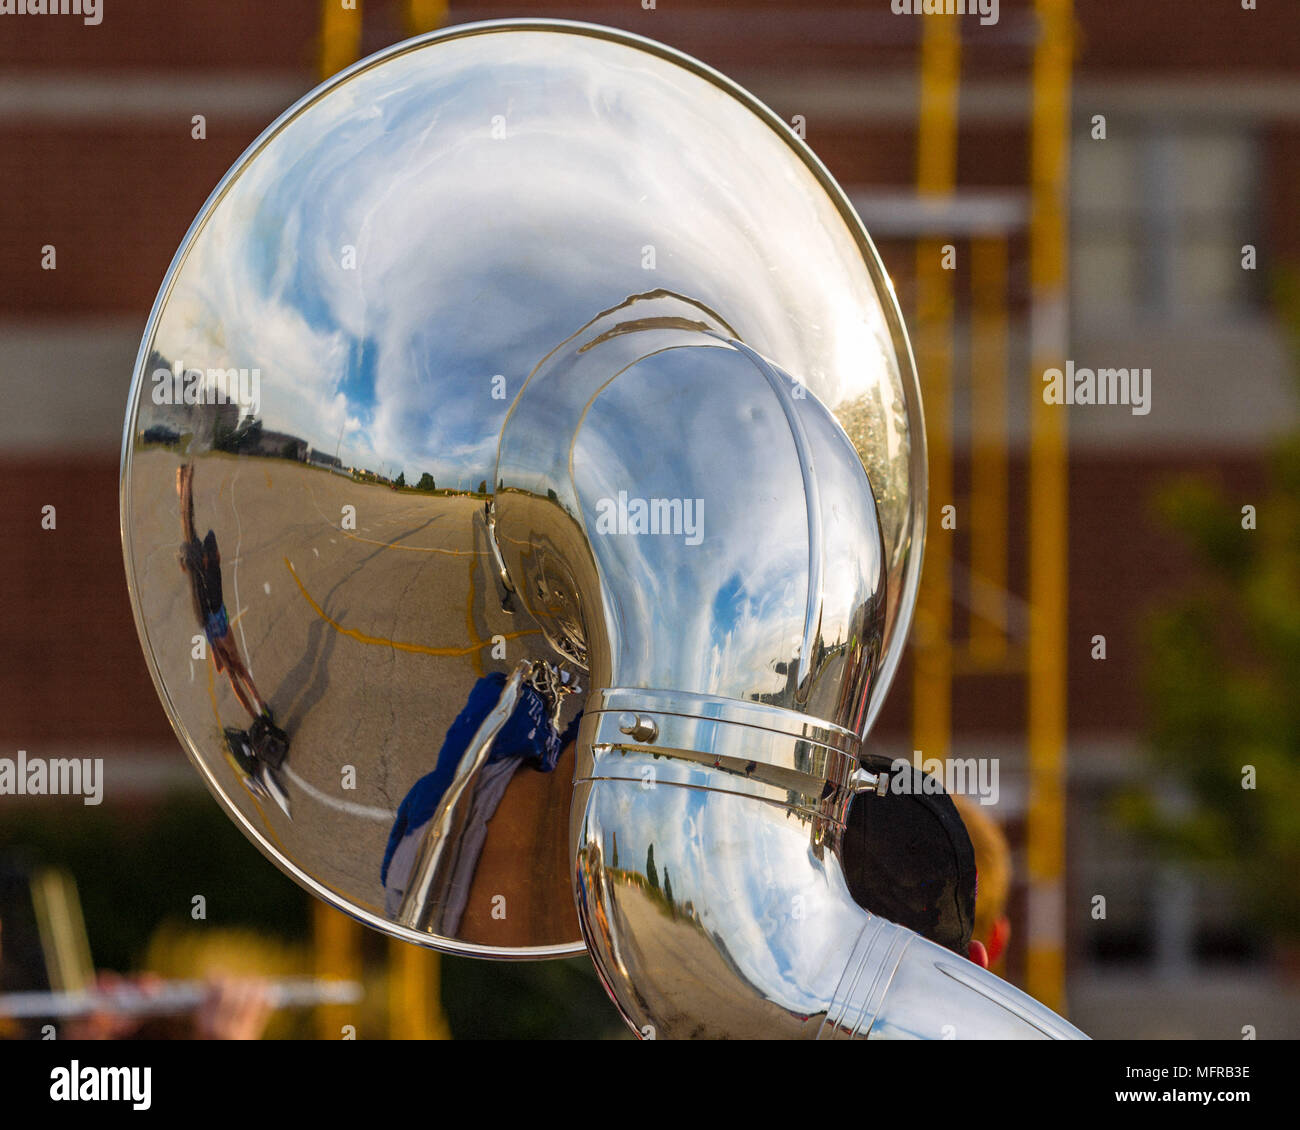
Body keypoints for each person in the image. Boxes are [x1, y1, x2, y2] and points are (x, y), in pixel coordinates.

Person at [176, 462, 290, 814]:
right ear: (208, 556)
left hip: (215, 619)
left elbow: (189, 519)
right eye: (216, 552)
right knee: (233, 665)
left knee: (235, 666)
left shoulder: (208, 565)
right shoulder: (198, 565)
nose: (219, 554)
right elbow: (186, 518)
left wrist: (186, 483)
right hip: (212, 623)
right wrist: (186, 483)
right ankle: (256, 709)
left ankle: (257, 708)